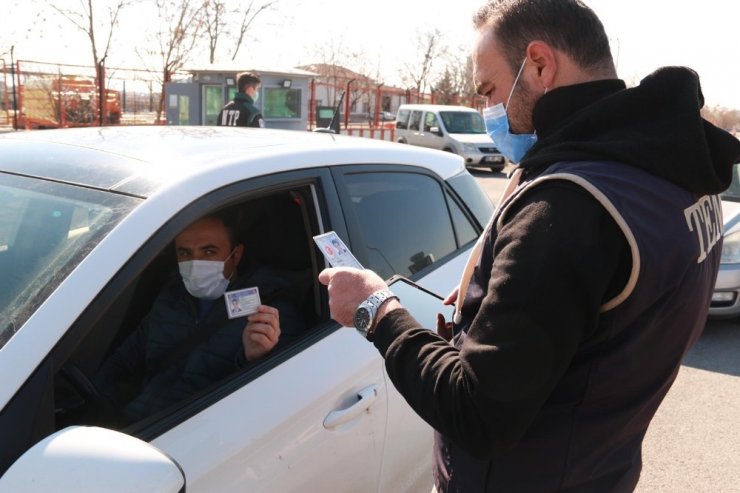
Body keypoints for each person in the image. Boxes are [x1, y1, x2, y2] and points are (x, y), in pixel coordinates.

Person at [318, 1, 740, 492]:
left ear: (539, 65)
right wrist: (514, 306)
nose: (486, 110)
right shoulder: (680, 175)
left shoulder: (567, 207)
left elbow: (476, 414)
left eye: (489, 89)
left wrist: (375, 308)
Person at [95, 213, 305, 424]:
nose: (195, 263)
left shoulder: (271, 313)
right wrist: (97, 405)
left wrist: (255, 358)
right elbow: (123, 360)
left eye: (209, 251)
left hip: (205, 435)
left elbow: (283, 403)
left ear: (235, 255)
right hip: (140, 422)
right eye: (185, 253)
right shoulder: (170, 299)